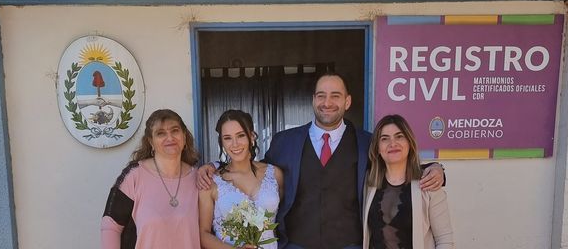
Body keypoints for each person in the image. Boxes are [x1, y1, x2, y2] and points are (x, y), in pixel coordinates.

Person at [198, 72, 444, 249]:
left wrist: (435, 168)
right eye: (321, 95)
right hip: (296, 243)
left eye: (335, 96)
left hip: (349, 243)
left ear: (347, 102)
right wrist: (214, 166)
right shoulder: (285, 141)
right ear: (313, 99)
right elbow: (251, 166)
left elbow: (395, 166)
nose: (327, 103)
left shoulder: (366, 142)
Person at [101, 109, 201, 249]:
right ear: (151, 142)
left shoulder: (198, 178)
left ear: (184, 136)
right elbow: (111, 225)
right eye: (161, 133)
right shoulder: (134, 175)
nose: (170, 138)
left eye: (175, 131)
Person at [363, 114, 454, 248]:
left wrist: (437, 167)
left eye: (399, 136)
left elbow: (445, 240)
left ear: (409, 143)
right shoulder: (368, 183)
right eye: (384, 139)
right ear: (377, 148)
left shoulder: (429, 182)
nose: (392, 143)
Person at [199, 109, 284, 249]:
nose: (235, 144)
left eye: (240, 135)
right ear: (222, 142)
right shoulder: (211, 182)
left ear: (252, 137)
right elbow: (203, 234)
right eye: (227, 138)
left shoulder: (275, 174)